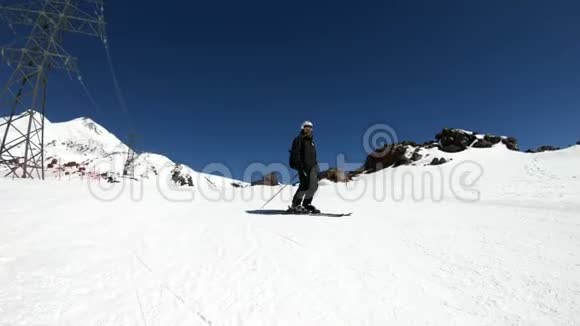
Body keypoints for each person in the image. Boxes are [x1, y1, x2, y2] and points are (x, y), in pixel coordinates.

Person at [288, 121, 320, 213]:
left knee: (314, 186)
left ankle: (307, 204)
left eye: (310, 128)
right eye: (306, 127)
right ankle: (296, 205)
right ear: (302, 128)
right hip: (303, 166)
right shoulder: (298, 139)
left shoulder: (312, 143)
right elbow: (296, 153)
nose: (308, 129)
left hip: (313, 166)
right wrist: (300, 166)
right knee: (304, 185)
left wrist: (316, 166)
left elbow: (313, 156)